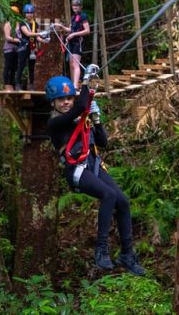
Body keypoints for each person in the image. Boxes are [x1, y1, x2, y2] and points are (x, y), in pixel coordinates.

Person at [45, 69, 145, 275]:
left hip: (94, 164)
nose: (66, 102)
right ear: (53, 103)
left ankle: (127, 254)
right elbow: (81, 105)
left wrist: (96, 120)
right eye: (61, 99)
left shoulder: (81, 117)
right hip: (76, 170)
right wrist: (86, 83)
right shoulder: (55, 123)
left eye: (69, 98)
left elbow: (103, 142)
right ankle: (101, 250)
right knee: (108, 195)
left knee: (123, 201)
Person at [54, 0, 90, 88]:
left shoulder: (83, 16)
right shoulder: (74, 17)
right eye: (73, 6)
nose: (75, 7)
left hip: (78, 42)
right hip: (72, 42)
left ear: (80, 6)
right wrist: (62, 27)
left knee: (75, 64)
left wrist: (74, 35)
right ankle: (74, 83)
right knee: (71, 64)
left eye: (77, 6)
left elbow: (87, 30)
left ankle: (75, 85)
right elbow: (70, 29)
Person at [15, 3, 49, 91]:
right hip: (24, 47)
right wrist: (40, 33)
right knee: (21, 65)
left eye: (31, 13)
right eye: (27, 13)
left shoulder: (35, 24)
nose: (29, 14)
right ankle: (18, 84)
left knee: (31, 67)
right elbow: (28, 34)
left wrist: (44, 40)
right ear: (25, 14)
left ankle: (31, 85)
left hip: (32, 48)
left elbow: (37, 37)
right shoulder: (22, 23)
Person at [3, 5, 21, 92]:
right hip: (9, 49)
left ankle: (13, 85)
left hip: (17, 50)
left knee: (15, 68)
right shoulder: (8, 24)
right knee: (8, 67)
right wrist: (18, 40)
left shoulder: (19, 24)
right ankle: (7, 85)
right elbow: (7, 37)